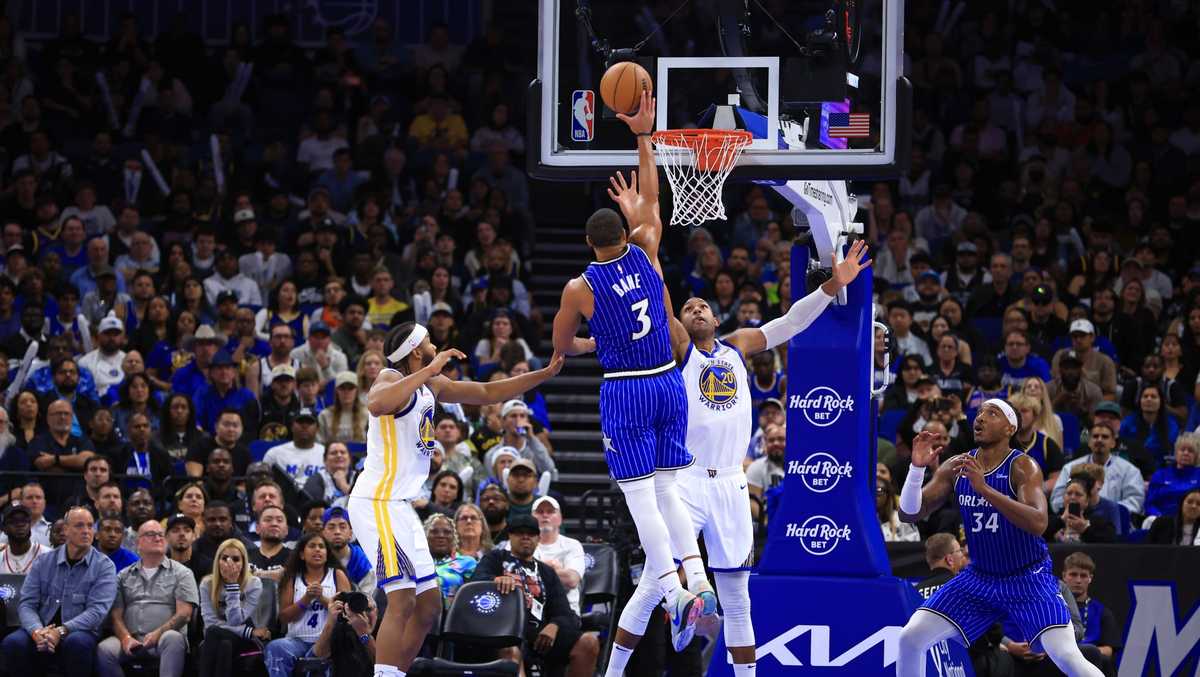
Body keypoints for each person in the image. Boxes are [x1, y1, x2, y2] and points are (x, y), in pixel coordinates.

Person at [548, 93, 708, 663]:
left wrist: (591, 342)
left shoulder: (579, 288)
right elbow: (654, 200)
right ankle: (699, 581)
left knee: (643, 501)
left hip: (627, 389)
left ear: (589, 243)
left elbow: (561, 345)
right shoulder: (645, 248)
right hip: (669, 382)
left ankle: (674, 595)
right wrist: (644, 136)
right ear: (626, 230)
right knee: (669, 491)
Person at [347, 320, 562, 677]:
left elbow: (487, 392)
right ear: (416, 351)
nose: (435, 345)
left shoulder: (431, 385)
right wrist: (430, 368)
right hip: (376, 501)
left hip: (399, 505)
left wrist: (544, 373)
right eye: (429, 342)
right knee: (402, 598)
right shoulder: (389, 376)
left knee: (429, 606)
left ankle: (396, 672)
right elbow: (377, 403)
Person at [895, 400, 1103, 677]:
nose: (980, 418)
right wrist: (916, 469)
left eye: (991, 413)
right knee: (910, 638)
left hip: (1027, 577)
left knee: (1067, 656)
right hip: (979, 578)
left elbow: (1038, 522)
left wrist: (985, 490)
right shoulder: (958, 465)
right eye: (979, 412)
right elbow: (909, 513)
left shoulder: (1023, 466)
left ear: (1009, 428)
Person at [471, 514, 599, 677]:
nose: (525, 537)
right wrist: (494, 580)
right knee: (510, 649)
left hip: (539, 635)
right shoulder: (496, 557)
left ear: (538, 539)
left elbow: (564, 613)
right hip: (502, 631)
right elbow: (475, 581)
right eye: (519, 532)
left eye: (531, 533)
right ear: (510, 536)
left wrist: (554, 625)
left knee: (588, 642)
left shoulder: (547, 572)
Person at [0, 507, 118, 677]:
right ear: (66, 530)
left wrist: (61, 631)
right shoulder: (43, 561)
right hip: (41, 628)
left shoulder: (104, 566)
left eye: (90, 526)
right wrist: (36, 631)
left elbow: (97, 611)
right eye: (79, 526)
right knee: (13, 643)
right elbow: (27, 604)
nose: (86, 531)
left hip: (80, 631)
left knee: (77, 643)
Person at [96, 520, 199, 677]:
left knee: (173, 638)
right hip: (132, 641)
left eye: (161, 535)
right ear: (138, 543)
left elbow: (184, 614)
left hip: (164, 639)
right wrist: (126, 638)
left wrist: (158, 633)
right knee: (105, 649)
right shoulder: (123, 576)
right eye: (151, 534)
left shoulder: (182, 573)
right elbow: (116, 616)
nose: (158, 538)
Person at [265, 533, 352, 677]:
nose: (317, 549)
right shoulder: (291, 578)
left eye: (321, 547)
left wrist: (321, 598)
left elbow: (347, 613)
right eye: (312, 546)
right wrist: (306, 599)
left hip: (330, 640)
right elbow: (284, 618)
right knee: (275, 647)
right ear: (302, 554)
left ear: (327, 554)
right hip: (297, 641)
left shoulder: (337, 575)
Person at [198, 538, 271, 677]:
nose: (229, 563)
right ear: (217, 561)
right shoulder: (207, 584)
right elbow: (209, 623)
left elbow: (235, 620)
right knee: (221, 640)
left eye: (236, 559)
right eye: (224, 558)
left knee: (216, 635)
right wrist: (248, 632)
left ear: (244, 563)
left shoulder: (253, 584)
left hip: (245, 640)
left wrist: (232, 586)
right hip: (227, 635)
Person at [1053, 423, 1145, 515]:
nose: (1099, 440)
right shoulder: (1070, 468)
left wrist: (1107, 511)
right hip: (1075, 516)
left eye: (1105, 437)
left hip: (1115, 520)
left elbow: (1135, 501)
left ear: (1113, 443)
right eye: (1095, 436)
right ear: (1089, 442)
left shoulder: (1129, 471)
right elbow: (1057, 500)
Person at [1062, 552, 1122, 675]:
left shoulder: (1102, 612)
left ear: (1090, 578)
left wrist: (1084, 653)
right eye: (1073, 574)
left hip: (1091, 660)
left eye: (1083, 575)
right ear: (1064, 576)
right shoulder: (1053, 608)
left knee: (1105, 660)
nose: (1078, 580)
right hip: (1060, 658)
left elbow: (1108, 650)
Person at [528, 496, 586, 615]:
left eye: (550, 511)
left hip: (567, 611)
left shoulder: (572, 545)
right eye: (539, 512)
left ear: (560, 518)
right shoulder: (521, 543)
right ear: (531, 518)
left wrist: (532, 569)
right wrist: (552, 569)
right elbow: (514, 577)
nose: (545, 515)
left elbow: (571, 580)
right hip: (529, 610)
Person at [1044, 473, 1118, 543]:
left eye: (1078, 494)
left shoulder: (1098, 521)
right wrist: (1061, 520)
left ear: (1087, 500)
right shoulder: (1053, 519)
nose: (1072, 497)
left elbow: (1112, 540)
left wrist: (1085, 529)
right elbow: (1040, 535)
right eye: (1069, 493)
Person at [263, 407, 325, 490]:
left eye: (309, 422)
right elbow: (264, 484)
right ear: (292, 427)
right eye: (300, 422)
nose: (304, 426)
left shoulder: (326, 454)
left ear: (317, 428)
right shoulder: (274, 454)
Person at [322, 506, 376, 594]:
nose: (337, 532)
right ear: (323, 533)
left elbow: (367, 599)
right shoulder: (316, 561)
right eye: (331, 527)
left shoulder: (363, 565)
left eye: (342, 527)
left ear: (351, 533)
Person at [425, 513, 476, 601]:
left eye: (447, 532)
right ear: (425, 537)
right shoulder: (416, 564)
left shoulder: (468, 562)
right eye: (434, 532)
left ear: (454, 538)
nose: (441, 535)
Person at [1146, 434, 1200, 516]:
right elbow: (1150, 504)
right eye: (1182, 450)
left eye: (1190, 451)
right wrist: (1159, 517)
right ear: (1176, 453)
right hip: (1161, 518)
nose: (1186, 453)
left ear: (1196, 456)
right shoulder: (1160, 475)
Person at [302, 441, 358, 506]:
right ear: (324, 460)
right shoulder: (316, 479)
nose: (339, 455)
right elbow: (311, 508)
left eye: (343, 452)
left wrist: (344, 486)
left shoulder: (360, 477)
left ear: (350, 459)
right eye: (333, 453)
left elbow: (364, 504)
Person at [914, 533, 967, 600]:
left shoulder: (915, 591)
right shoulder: (961, 586)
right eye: (959, 550)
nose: (962, 555)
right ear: (949, 560)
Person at [248, 505, 292, 581]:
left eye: (279, 520)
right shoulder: (245, 556)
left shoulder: (295, 558)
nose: (274, 524)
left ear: (286, 530)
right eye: (268, 520)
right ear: (257, 528)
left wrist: (255, 574)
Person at [0, 504, 47, 574]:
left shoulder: (46, 555)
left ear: (30, 525)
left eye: (24, 520)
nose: (20, 525)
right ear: (4, 529)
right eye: (13, 521)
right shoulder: (1, 557)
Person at [166, 514, 211, 584]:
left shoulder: (206, 565)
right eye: (175, 530)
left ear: (194, 536)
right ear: (167, 536)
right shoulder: (159, 564)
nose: (182, 534)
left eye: (187, 530)